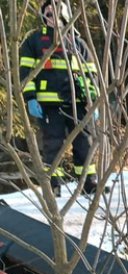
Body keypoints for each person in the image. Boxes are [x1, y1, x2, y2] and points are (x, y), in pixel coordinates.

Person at [20, 0, 103, 197]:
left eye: (54, 12)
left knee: (85, 143)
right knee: (53, 145)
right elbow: (25, 72)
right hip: (49, 106)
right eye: (47, 13)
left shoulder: (77, 42)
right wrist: (31, 98)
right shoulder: (34, 42)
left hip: (78, 104)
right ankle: (53, 185)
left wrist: (93, 100)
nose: (51, 16)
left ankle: (88, 183)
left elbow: (91, 74)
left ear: (64, 15)